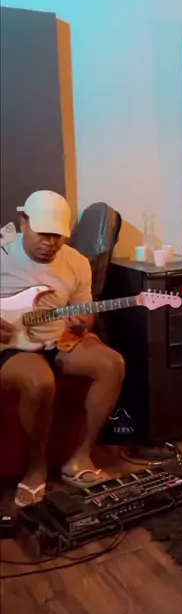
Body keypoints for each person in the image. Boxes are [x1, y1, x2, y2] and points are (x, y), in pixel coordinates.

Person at [0, 190, 125, 507]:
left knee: (112, 364)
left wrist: (84, 322)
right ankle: (35, 468)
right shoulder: (2, 253)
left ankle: (79, 458)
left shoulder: (77, 262)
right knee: (39, 381)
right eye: (43, 234)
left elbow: (85, 312)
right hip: (11, 345)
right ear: (23, 222)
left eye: (57, 236)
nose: (50, 243)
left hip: (57, 338)